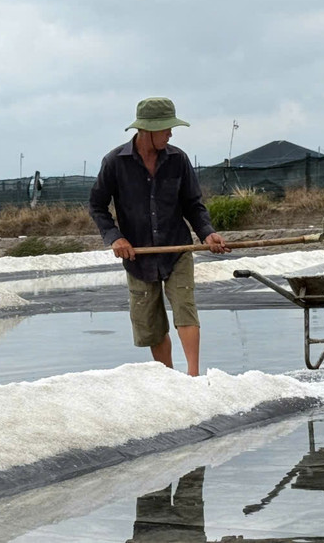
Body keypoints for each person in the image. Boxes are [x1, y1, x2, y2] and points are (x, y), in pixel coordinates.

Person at [89, 97, 229, 376]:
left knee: (185, 308)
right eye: (166, 128)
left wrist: (207, 233)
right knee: (150, 325)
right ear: (146, 130)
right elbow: (97, 205)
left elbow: (193, 204)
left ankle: (193, 376)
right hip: (138, 256)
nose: (170, 133)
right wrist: (115, 237)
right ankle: (169, 378)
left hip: (176, 249)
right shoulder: (115, 163)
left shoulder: (178, 159)